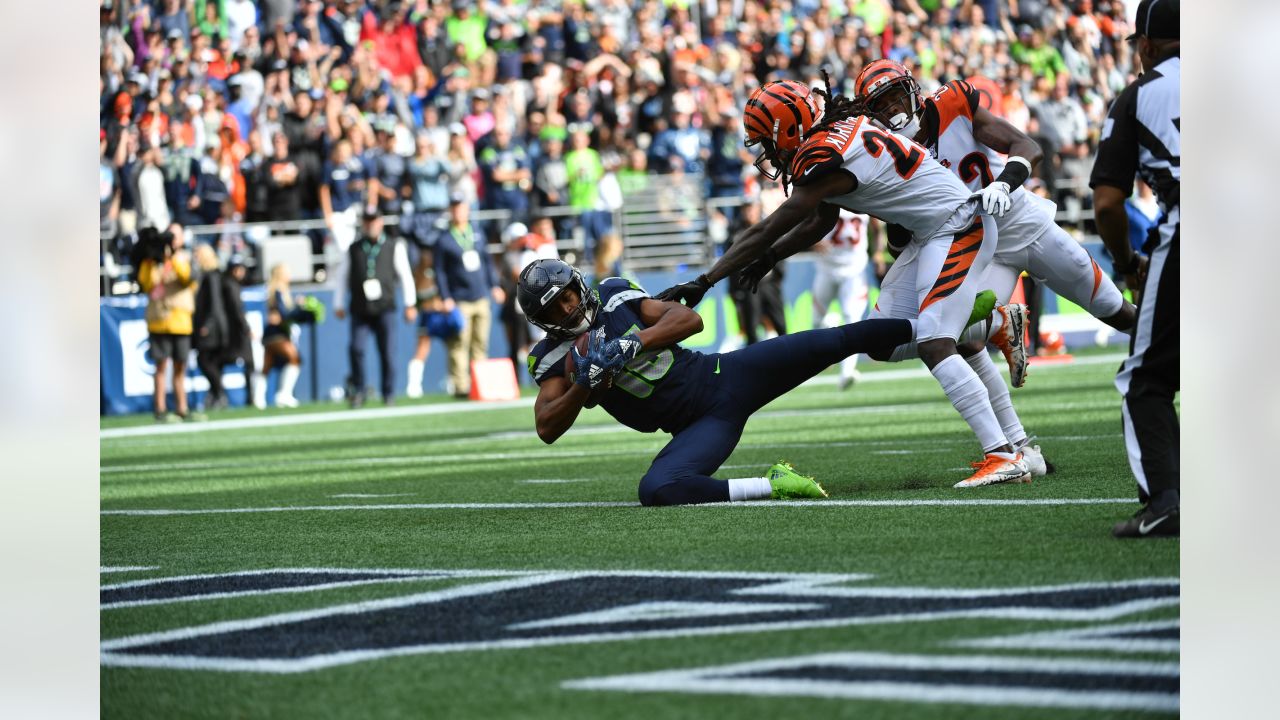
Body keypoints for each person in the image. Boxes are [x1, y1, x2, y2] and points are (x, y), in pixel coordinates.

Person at [657, 79, 1031, 489]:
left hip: (959, 226)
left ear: (787, 130)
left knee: (934, 342)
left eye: (767, 141)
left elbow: (770, 226)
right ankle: (992, 327)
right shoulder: (841, 134)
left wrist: (704, 281)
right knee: (882, 342)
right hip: (933, 233)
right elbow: (822, 221)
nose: (767, 153)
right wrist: (770, 258)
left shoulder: (823, 156)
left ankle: (1002, 454)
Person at [852, 59, 1139, 476]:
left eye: (897, 95)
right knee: (940, 339)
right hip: (965, 244)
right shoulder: (883, 151)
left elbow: (1027, 147)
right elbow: (899, 240)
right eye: (882, 104)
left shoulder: (952, 103)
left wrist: (1004, 183)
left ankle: (1190, 349)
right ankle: (1017, 444)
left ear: (913, 91)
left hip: (1022, 222)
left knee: (1117, 311)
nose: (894, 109)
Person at [522, 258, 917, 506]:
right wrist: (584, 384)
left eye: (568, 296)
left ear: (579, 285)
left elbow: (689, 320)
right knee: (657, 490)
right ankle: (774, 485)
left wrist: (631, 342)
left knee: (835, 340)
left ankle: (932, 328)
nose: (568, 308)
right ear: (541, 319)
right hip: (700, 426)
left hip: (723, 376)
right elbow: (547, 426)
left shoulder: (613, 294)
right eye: (554, 307)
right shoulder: (552, 357)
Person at [1089, 0, 1180, 538]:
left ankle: (1166, 502)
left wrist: (1127, 264)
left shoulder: (1137, 96)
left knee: (1145, 377)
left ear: (1144, 46)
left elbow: (1106, 203)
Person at [334, 209, 418, 407]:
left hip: (385, 307)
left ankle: (388, 393)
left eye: (374, 220)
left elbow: (405, 275)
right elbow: (342, 277)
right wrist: (338, 303)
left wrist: (410, 303)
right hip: (360, 308)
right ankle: (359, 391)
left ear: (380, 222)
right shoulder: (353, 248)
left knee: (388, 352)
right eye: (367, 221)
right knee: (356, 349)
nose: (370, 224)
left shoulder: (393, 246)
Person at [434, 193, 505, 398]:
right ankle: (460, 385)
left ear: (467, 210)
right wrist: (445, 296)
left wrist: (494, 286)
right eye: (454, 208)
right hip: (459, 298)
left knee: (480, 343)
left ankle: (479, 384)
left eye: (461, 207)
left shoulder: (477, 233)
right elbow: (439, 271)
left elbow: (487, 263)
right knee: (459, 344)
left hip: (480, 295)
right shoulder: (444, 239)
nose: (458, 211)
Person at [135, 224, 200, 422]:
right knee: (161, 367)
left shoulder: (185, 258)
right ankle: (160, 409)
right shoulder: (153, 261)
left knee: (180, 367)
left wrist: (172, 258)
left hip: (180, 320)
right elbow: (146, 283)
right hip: (159, 320)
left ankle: (182, 408)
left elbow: (188, 279)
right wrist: (152, 258)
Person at [813, 209, 883, 390]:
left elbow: (877, 226)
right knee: (817, 320)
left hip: (854, 269)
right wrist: (813, 240)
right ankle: (831, 323)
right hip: (826, 267)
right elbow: (806, 220)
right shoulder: (828, 194)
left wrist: (878, 252)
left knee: (852, 319)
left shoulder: (863, 196)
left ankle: (847, 372)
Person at [192, 244, 249, 411]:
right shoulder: (210, 276)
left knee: (204, 360)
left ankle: (219, 393)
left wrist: (208, 325)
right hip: (215, 325)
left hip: (214, 327)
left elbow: (215, 305)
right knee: (213, 362)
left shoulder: (212, 276)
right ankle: (216, 394)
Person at [255, 263, 304, 409]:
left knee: (267, 366)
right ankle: (284, 393)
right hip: (277, 334)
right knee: (295, 358)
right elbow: (283, 314)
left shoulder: (274, 290)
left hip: (270, 334)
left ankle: (258, 399)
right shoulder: (278, 291)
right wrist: (298, 307)